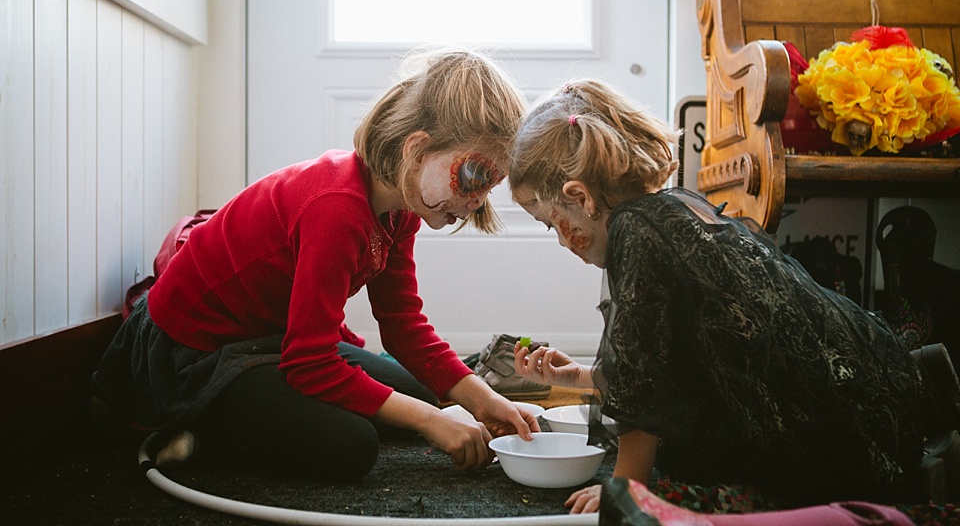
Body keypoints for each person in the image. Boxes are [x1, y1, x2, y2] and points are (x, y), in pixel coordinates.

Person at [507, 79, 960, 516]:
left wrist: (627, 492)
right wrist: (583, 376)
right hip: (872, 398)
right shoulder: (682, 207)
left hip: (842, 445)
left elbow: (645, 392)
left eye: (551, 223)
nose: (562, 241)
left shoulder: (637, 233)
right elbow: (672, 360)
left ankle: (883, 484)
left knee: (680, 482)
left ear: (580, 197)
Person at [89, 48, 538, 481]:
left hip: (271, 339)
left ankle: (246, 419)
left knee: (418, 394)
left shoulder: (400, 209)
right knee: (351, 445)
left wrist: (484, 400)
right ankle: (198, 428)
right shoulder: (336, 208)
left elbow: (403, 326)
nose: (478, 200)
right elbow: (310, 363)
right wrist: (430, 422)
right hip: (192, 351)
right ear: (416, 151)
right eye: (475, 175)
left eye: (491, 184)